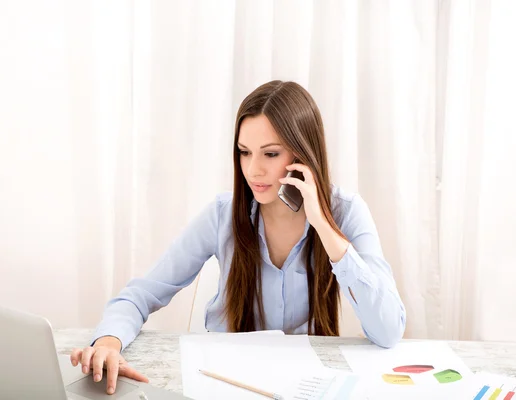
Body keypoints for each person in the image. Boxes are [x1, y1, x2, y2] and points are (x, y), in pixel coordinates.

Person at [70, 80, 406, 395]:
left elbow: (388, 330)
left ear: (303, 155)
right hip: (224, 383)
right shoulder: (222, 214)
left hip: (306, 385)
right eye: (245, 152)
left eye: (270, 154)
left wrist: (325, 228)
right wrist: (108, 342)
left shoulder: (345, 212)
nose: (253, 169)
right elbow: (143, 293)